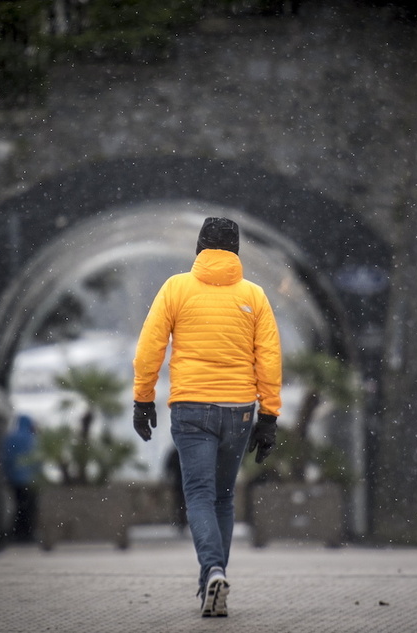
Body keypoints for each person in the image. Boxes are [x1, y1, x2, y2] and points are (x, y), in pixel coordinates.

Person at [132, 216, 282, 618]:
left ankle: (212, 571)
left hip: (191, 408)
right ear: (235, 251)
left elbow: (150, 347)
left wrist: (143, 399)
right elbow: (268, 359)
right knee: (223, 497)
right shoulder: (255, 295)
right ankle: (211, 585)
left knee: (197, 495)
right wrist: (268, 416)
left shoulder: (176, 289)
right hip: (238, 410)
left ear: (199, 248)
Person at [0, 413, 40, 543]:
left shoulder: (10, 438)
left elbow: (6, 459)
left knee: (18, 506)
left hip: (14, 479)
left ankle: (18, 533)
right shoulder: (32, 439)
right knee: (29, 507)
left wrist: (7, 475)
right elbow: (37, 460)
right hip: (30, 480)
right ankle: (27, 534)